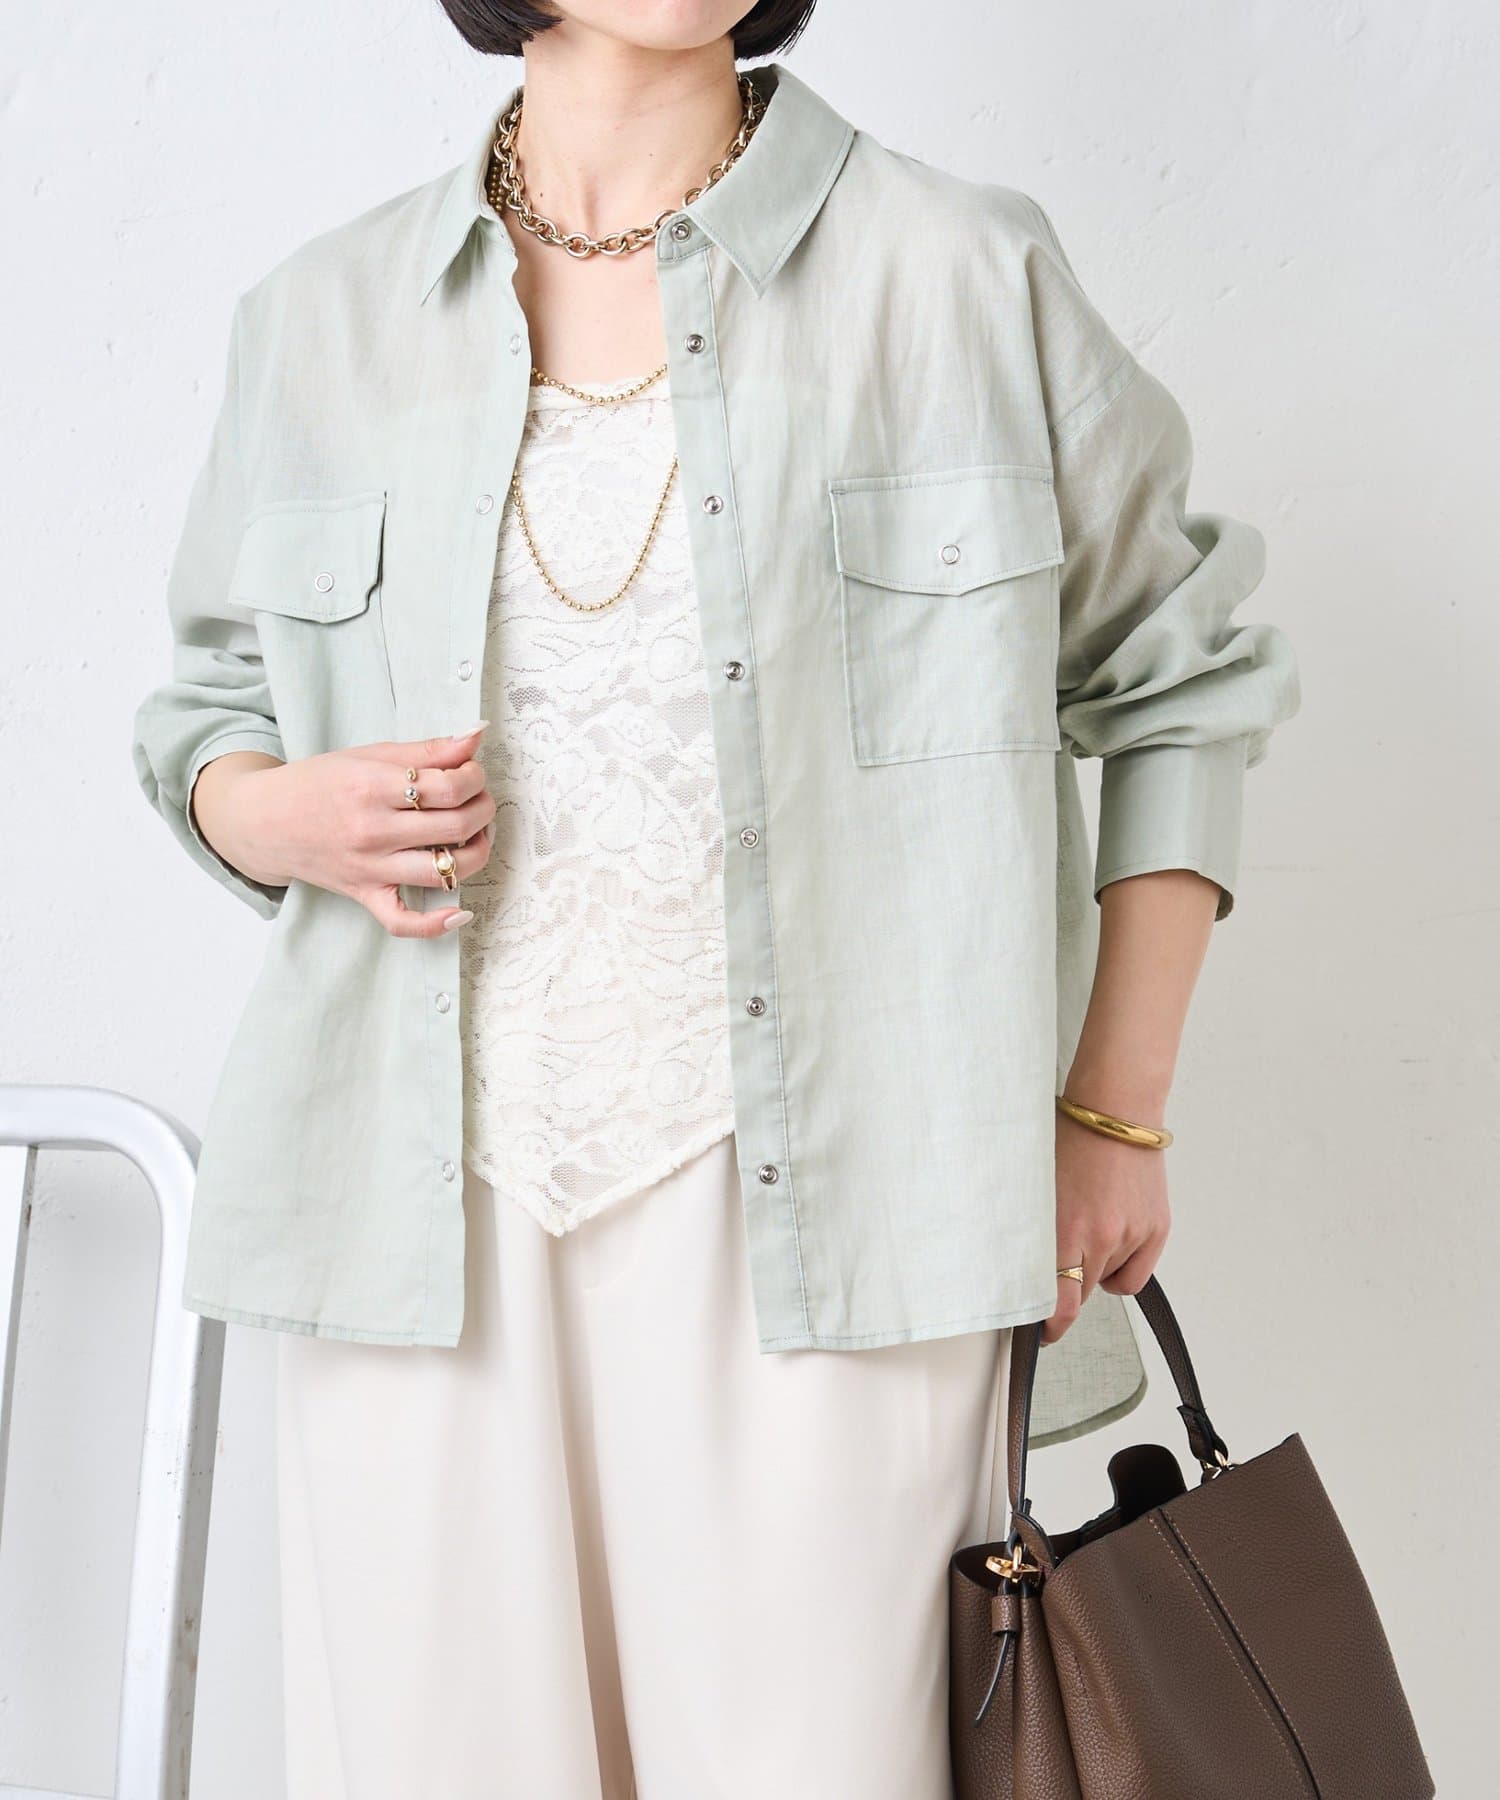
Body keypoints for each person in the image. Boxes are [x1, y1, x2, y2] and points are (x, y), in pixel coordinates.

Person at [129, 4, 1301, 1795]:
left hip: (850, 1220)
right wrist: (277, 810)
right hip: (414, 1224)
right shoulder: (320, 315)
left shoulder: (960, 275)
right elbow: (208, 711)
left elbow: (1182, 684)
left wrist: (1112, 1113)